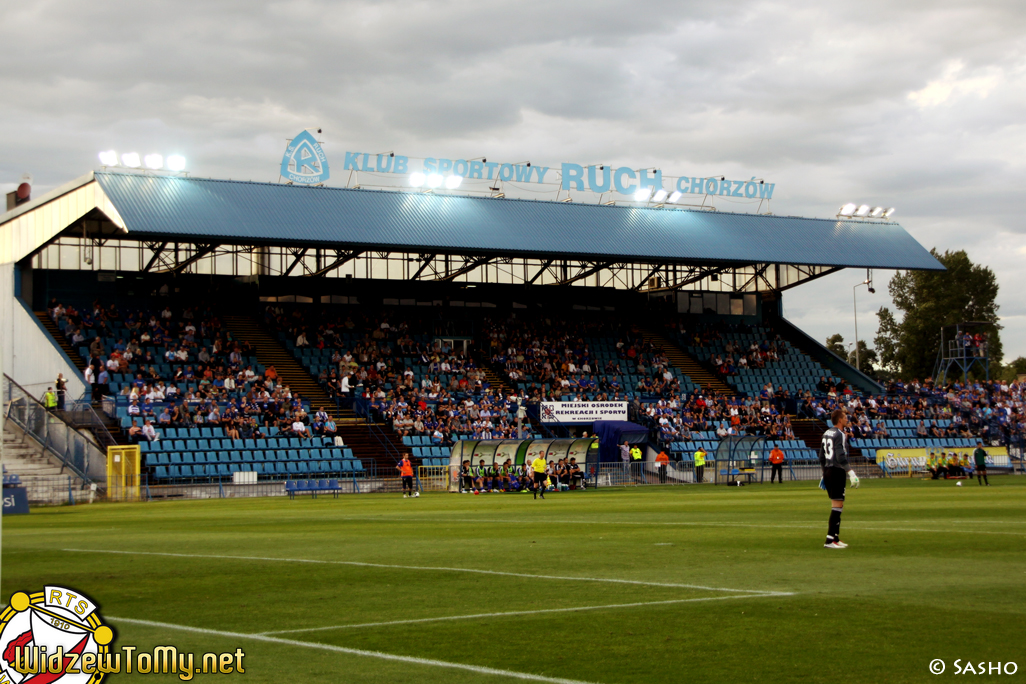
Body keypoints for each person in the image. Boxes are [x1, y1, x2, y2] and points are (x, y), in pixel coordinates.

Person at [819, 409, 859, 549]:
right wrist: (851, 472)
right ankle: (829, 541)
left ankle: (835, 538)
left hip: (829, 471)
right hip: (836, 471)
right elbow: (840, 456)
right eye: (845, 417)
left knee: (839, 505)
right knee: (836, 506)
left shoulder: (826, 433)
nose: (847, 419)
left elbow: (821, 456)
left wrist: (824, 473)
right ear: (840, 420)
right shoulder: (840, 434)